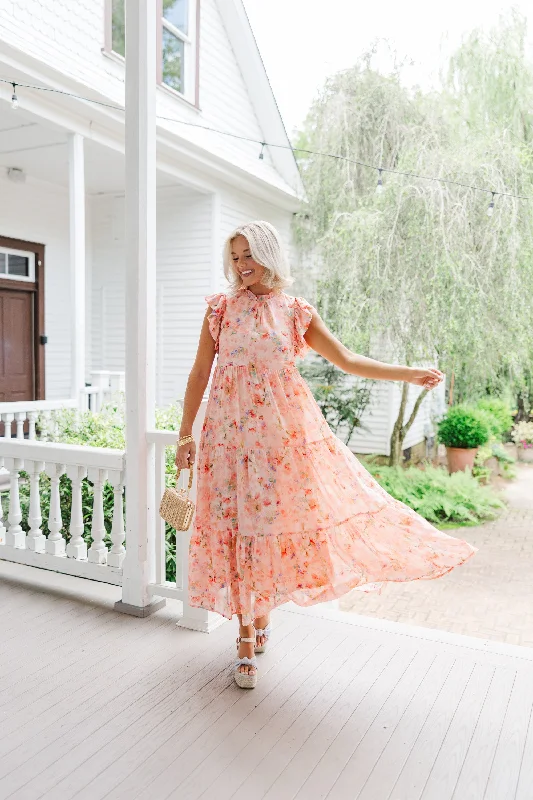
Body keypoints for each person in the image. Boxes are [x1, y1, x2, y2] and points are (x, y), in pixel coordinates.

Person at [175, 220, 477, 689]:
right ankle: (245, 637)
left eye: (248, 256)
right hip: (228, 439)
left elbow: (348, 359)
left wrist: (410, 373)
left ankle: (261, 611)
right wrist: (184, 435)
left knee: (270, 525)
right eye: (234, 258)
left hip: (280, 439)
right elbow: (199, 373)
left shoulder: (294, 312)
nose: (241, 266)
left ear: (268, 255)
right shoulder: (220, 309)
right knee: (236, 526)